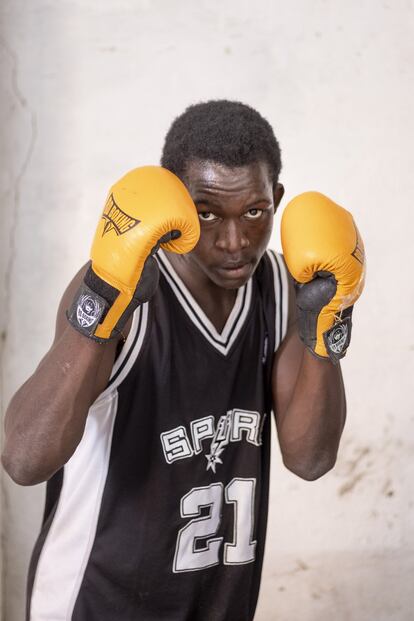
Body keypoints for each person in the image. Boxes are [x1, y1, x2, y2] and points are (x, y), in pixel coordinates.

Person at [2, 100, 365, 621]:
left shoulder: (286, 294)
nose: (235, 241)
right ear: (175, 203)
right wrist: (103, 301)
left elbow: (310, 460)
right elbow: (23, 459)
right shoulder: (120, 289)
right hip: (92, 605)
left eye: (255, 212)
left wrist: (327, 332)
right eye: (208, 212)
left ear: (276, 200)